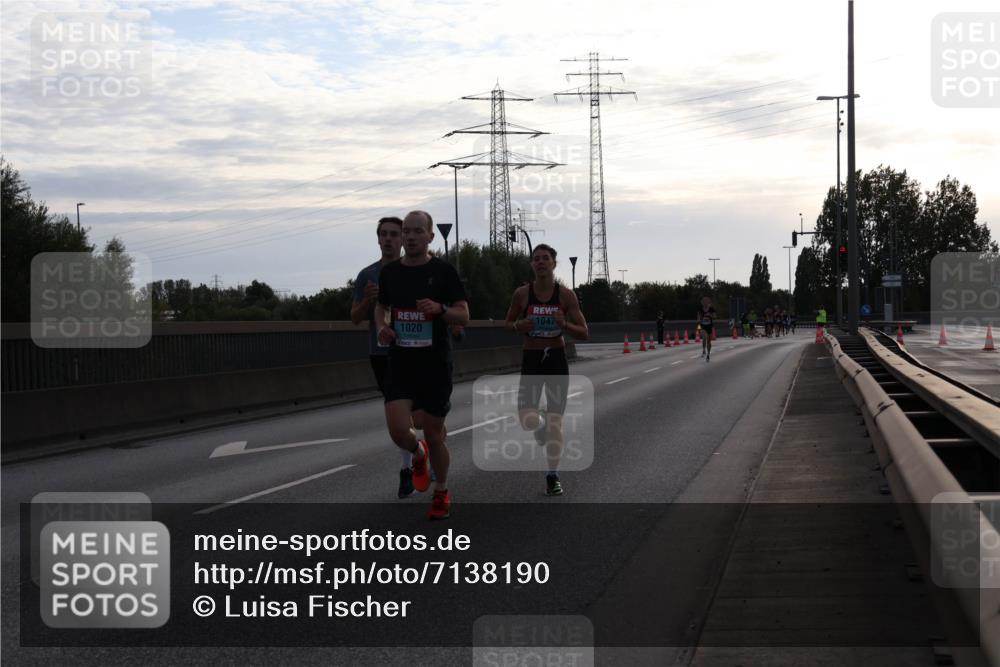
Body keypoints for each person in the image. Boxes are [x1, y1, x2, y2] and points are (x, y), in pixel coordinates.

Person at [375, 210, 469, 520]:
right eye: (407, 232)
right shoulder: (390, 273)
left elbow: (463, 315)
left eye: (418, 231)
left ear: (430, 236)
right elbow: (382, 308)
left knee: (433, 431)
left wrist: (440, 309)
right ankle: (417, 454)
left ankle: (441, 489)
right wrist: (383, 327)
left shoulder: (443, 272)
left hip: (435, 364)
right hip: (401, 361)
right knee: (400, 430)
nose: (411, 236)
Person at [505, 244, 588, 496]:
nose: (540, 262)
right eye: (536, 259)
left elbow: (584, 332)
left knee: (556, 422)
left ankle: (553, 475)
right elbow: (507, 324)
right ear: (532, 264)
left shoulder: (566, 296)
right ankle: (538, 423)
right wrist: (520, 325)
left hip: (555, 359)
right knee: (528, 420)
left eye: (545, 259)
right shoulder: (521, 294)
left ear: (554, 263)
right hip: (531, 358)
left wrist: (565, 325)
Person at [352, 216, 420, 499]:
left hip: (416, 351)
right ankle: (407, 468)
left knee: (420, 415)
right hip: (381, 354)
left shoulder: (416, 270)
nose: (390, 239)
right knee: (400, 417)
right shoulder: (367, 275)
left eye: (395, 234)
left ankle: (421, 458)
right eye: (385, 234)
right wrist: (369, 301)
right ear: (378, 239)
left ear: (403, 239)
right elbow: (355, 318)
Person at [696, 296, 717, 362]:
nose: (705, 303)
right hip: (703, 326)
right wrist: (699, 320)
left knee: (709, 341)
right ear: (702, 303)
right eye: (703, 302)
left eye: (706, 301)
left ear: (708, 302)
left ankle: (708, 354)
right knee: (704, 337)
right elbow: (698, 317)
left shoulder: (711, 309)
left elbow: (715, 316)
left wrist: (710, 315)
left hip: (709, 326)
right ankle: (703, 349)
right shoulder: (700, 309)